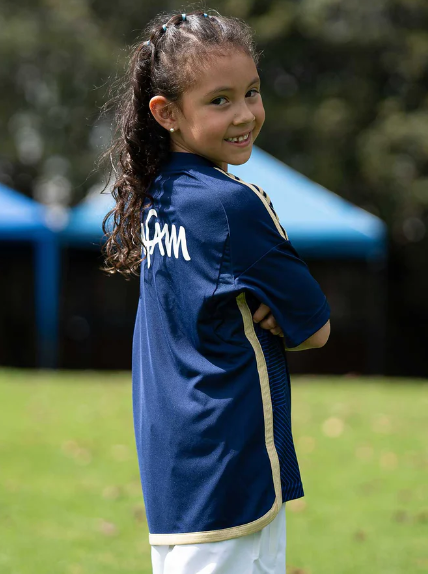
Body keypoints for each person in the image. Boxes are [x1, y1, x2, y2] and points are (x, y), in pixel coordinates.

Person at [100, 9, 331, 574]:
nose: (246, 114)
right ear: (167, 113)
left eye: (251, 92)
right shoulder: (231, 205)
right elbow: (316, 326)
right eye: (220, 100)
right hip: (232, 466)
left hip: (173, 468)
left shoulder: (159, 196)